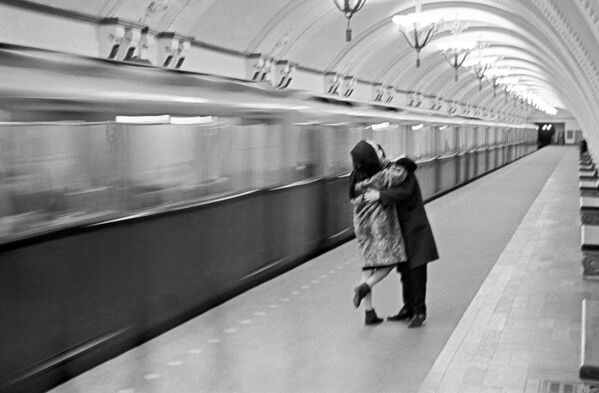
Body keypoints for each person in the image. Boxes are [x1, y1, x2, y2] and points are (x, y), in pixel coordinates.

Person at [363, 147, 439, 328]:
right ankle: (408, 308)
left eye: (398, 169)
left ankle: (419, 312)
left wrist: (378, 195)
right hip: (404, 233)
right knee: (405, 273)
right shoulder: (393, 175)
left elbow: (402, 193)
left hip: (416, 233)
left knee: (417, 274)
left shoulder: (405, 175)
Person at [349, 140, 409, 325]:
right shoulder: (379, 177)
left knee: (368, 266)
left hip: (362, 227)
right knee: (391, 262)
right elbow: (402, 172)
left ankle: (369, 313)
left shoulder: (354, 177)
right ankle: (365, 287)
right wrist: (394, 161)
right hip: (380, 226)